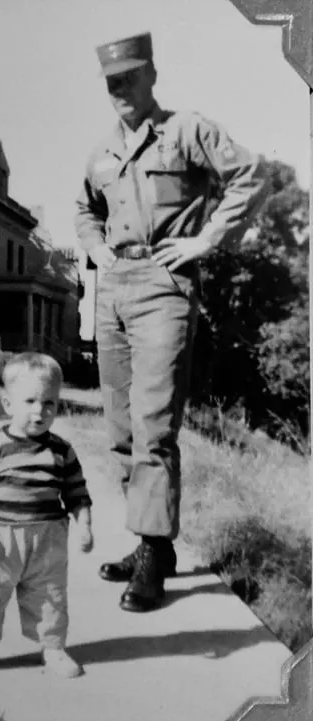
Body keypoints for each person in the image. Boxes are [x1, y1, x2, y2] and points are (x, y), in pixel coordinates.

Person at [74, 32, 268, 613]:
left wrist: (207, 238)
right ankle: (147, 542)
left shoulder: (187, 130)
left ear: (152, 75)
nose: (120, 88)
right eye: (112, 81)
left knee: (154, 423)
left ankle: (154, 551)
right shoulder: (102, 151)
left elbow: (251, 175)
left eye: (130, 76)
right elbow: (86, 209)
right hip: (114, 291)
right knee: (120, 429)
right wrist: (97, 251)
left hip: (164, 288)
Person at [0, 352, 93, 679]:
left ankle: (53, 648)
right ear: (7, 403)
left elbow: (77, 492)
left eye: (49, 403)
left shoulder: (61, 450)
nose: (39, 411)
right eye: (29, 401)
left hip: (47, 539)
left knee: (50, 596)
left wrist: (84, 524)